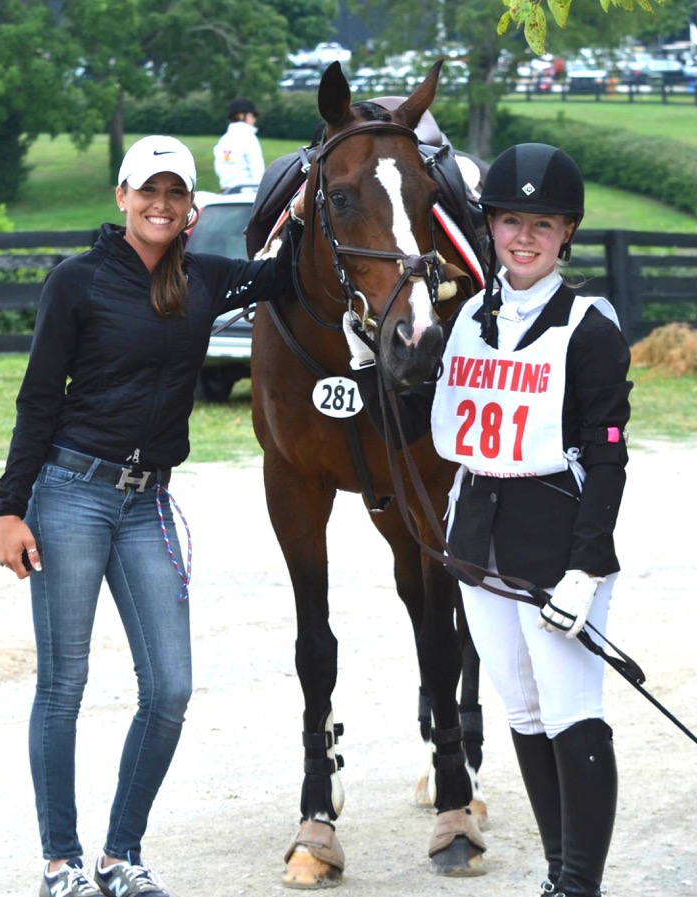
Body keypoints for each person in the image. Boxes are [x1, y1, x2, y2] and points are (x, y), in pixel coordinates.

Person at [0, 134, 303, 897]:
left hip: (147, 504)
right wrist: (8, 508)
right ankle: (60, 860)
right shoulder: (77, 281)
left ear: (191, 209)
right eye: (148, 192)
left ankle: (119, 856)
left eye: (175, 194)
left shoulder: (204, 279)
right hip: (69, 493)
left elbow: (285, 277)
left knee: (168, 687)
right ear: (123, 198)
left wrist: (310, 202)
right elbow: (38, 399)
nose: (160, 205)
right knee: (63, 685)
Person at [343, 143, 631, 897]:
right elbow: (426, 417)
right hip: (476, 533)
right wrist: (370, 364)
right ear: (492, 228)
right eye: (510, 221)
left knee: (572, 709)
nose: (524, 237)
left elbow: (607, 458)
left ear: (566, 232)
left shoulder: (590, 329)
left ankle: (579, 885)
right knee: (526, 711)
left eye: (543, 223)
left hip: (554, 534)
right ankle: (559, 874)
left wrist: (587, 565)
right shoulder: (465, 316)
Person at [212, 97, 265, 192]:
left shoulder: (223, 140)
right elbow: (257, 170)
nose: (254, 120)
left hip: (226, 192)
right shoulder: (249, 137)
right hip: (247, 195)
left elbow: (219, 169)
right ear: (241, 116)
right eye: (252, 116)